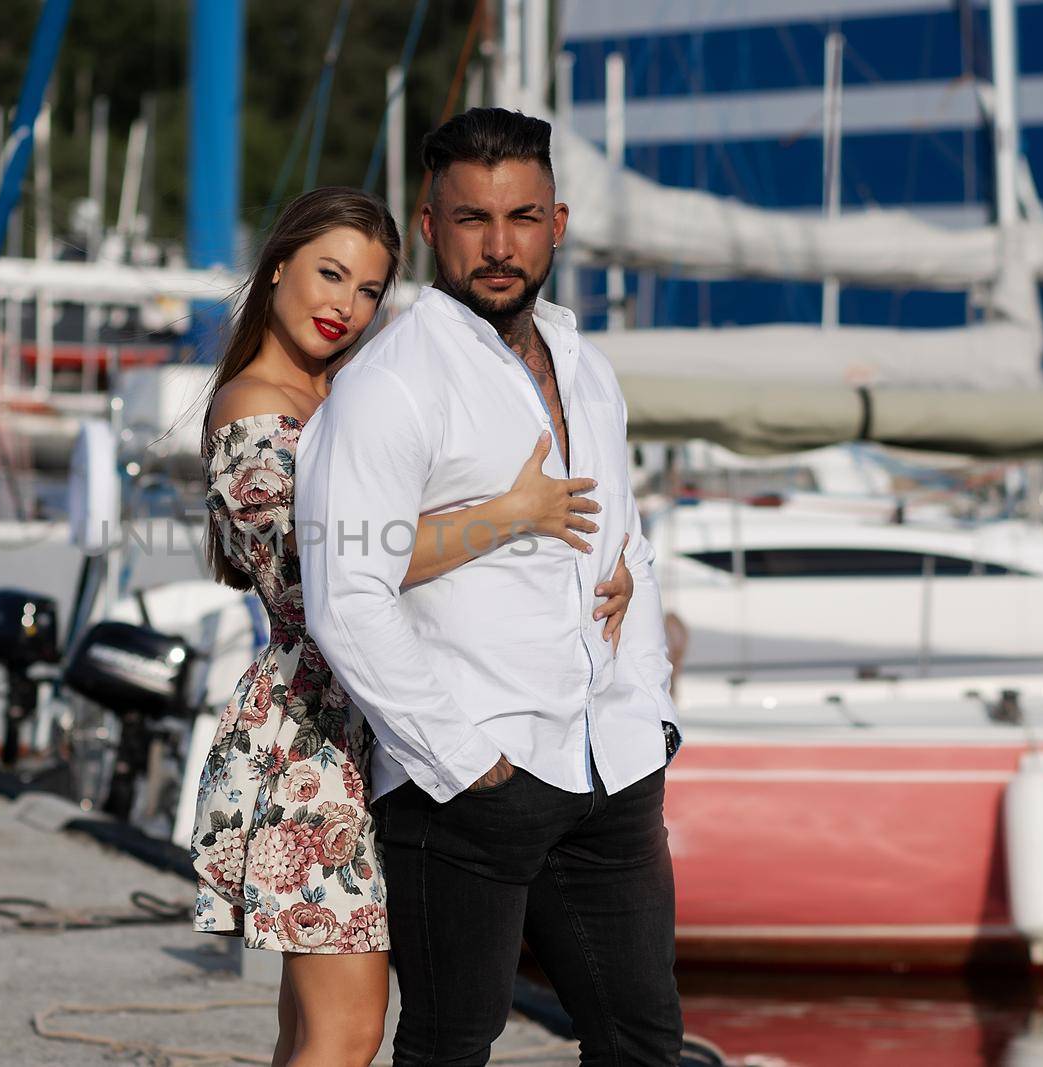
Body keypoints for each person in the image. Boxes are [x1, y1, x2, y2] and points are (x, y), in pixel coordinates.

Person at [190, 185, 636, 1067]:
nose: (343, 306)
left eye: (366, 290)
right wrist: (513, 513)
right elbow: (334, 564)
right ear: (276, 266)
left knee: (312, 1032)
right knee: (346, 1034)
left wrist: (610, 570)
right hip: (316, 743)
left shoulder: (345, 397)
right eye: (328, 274)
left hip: (378, 728)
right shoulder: (254, 407)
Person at [295, 109, 685, 1066]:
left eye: (520, 217)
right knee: (451, 1045)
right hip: (470, 781)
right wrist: (464, 761)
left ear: (558, 220)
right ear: (430, 228)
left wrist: (650, 709)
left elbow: (625, 543)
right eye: (472, 219)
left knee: (643, 1042)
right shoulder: (393, 381)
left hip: (611, 767)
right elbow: (347, 591)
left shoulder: (587, 368)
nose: (498, 245)